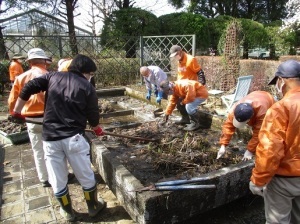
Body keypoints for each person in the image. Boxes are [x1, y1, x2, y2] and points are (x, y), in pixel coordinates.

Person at [11, 54, 106, 221]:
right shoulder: (87, 87)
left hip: (50, 138)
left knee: (57, 177)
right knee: (85, 174)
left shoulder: (52, 76)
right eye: (91, 73)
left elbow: (28, 87)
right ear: (85, 72)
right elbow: (93, 115)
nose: (91, 77)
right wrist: (96, 128)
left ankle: (67, 212)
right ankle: (93, 207)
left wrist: (17, 111)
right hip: (73, 139)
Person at [249, 60, 300, 224]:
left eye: (277, 82)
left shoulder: (281, 108)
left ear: (283, 80)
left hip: (284, 179)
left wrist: (258, 180)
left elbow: (270, 150)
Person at [8, 48, 52, 188]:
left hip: (30, 119)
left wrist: (15, 114)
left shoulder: (21, 78)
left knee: (38, 148)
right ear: (44, 61)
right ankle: (59, 176)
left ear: (29, 62)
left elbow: (13, 100)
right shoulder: (50, 76)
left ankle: (44, 178)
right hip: (48, 118)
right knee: (54, 149)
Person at [216, 91, 275, 160]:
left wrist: (250, 150)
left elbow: (259, 133)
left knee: (268, 134)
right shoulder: (236, 109)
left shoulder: (262, 112)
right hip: (255, 94)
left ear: (249, 119)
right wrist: (223, 145)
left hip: (268, 99)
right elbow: (228, 126)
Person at [169, 45, 206, 125]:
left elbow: (200, 72)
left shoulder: (190, 60)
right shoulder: (180, 61)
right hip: (181, 87)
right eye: (174, 56)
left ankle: (195, 123)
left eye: (176, 55)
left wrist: (201, 84)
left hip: (190, 88)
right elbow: (181, 74)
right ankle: (185, 119)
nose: (175, 57)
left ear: (180, 51)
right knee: (179, 103)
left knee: (187, 105)